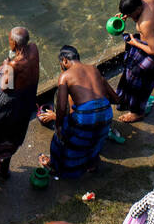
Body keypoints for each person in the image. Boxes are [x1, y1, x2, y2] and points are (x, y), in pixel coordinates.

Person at [43, 44, 119, 177]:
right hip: (106, 112)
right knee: (95, 139)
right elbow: (116, 99)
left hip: (85, 115)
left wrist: (59, 126)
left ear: (65, 61)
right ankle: (92, 163)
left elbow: (61, 107)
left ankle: (55, 166)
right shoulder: (93, 69)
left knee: (59, 142)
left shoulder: (65, 76)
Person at [0, 27, 40, 181]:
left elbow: (6, 87)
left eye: (10, 41)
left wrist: (6, 65)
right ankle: (4, 170)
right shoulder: (34, 49)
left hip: (11, 105)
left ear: (13, 43)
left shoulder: (15, 65)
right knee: (13, 136)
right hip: (26, 101)